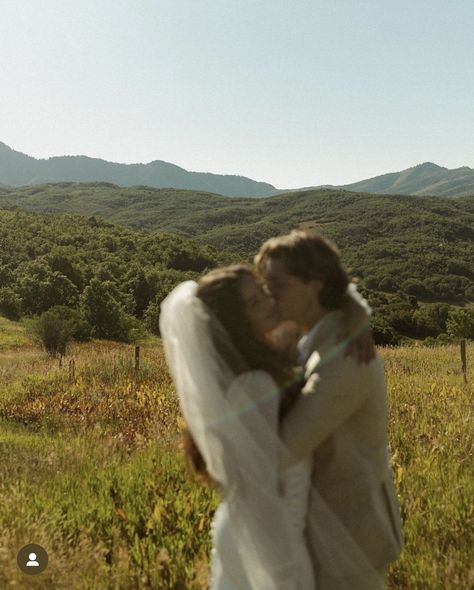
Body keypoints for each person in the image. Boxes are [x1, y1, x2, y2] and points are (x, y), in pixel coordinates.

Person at [255, 230, 403, 590]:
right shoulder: (309, 335)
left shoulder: (347, 355)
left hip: (348, 536)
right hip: (317, 531)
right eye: (264, 284)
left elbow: (284, 449)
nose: (267, 295)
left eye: (277, 284)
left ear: (315, 286)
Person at [159, 265, 316, 589]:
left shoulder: (252, 372)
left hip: (253, 529)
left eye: (262, 292)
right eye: (255, 303)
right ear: (237, 323)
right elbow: (258, 488)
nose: (270, 303)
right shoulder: (255, 385)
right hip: (266, 537)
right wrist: (281, 570)